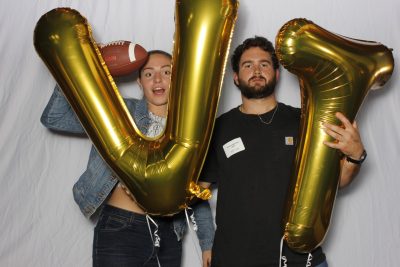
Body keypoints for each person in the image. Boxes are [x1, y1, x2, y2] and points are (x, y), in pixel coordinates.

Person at [199, 36, 366, 267]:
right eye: (248, 65)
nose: (256, 70)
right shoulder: (218, 128)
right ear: (236, 77)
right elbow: (197, 193)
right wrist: (206, 242)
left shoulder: (305, 122)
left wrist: (355, 156)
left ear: (277, 74)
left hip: (300, 259)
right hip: (234, 259)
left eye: (264, 64)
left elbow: (336, 182)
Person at [41, 50, 214, 267]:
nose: (158, 79)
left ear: (178, 79)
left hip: (170, 235)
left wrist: (207, 242)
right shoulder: (121, 113)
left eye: (166, 72)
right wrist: (81, 67)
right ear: (140, 82)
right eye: (149, 74)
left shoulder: (191, 131)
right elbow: (55, 118)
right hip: (121, 229)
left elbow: (196, 192)